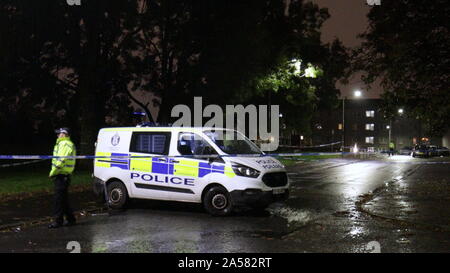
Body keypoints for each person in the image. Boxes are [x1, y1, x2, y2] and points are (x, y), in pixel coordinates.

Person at [48, 127, 77, 228]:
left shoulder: (64, 144)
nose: (57, 135)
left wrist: (52, 173)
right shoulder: (63, 143)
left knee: (58, 199)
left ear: (64, 134)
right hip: (63, 175)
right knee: (63, 199)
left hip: (61, 174)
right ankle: (71, 219)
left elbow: (61, 160)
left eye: (59, 133)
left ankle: (57, 221)